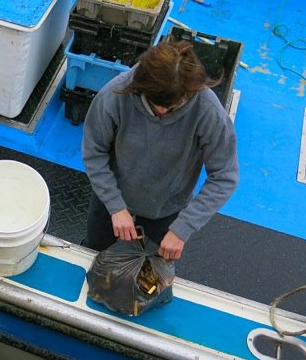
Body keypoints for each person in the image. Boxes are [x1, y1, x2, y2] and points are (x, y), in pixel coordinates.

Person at [81, 38, 239, 261]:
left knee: (149, 271)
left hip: (166, 210)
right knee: (92, 254)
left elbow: (224, 177)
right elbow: (93, 151)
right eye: (156, 104)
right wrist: (115, 206)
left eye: (172, 107)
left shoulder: (209, 112)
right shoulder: (115, 94)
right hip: (110, 200)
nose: (163, 112)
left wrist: (182, 229)